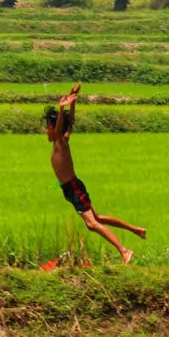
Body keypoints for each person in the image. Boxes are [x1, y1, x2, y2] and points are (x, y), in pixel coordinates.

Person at [45, 83, 145, 265]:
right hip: (71, 189)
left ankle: (124, 251)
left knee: (92, 224)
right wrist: (72, 102)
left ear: (54, 128)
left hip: (74, 188)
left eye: (47, 127)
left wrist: (62, 108)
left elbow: (63, 126)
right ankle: (136, 230)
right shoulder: (62, 141)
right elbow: (70, 122)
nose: (46, 131)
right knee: (97, 219)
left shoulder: (60, 142)